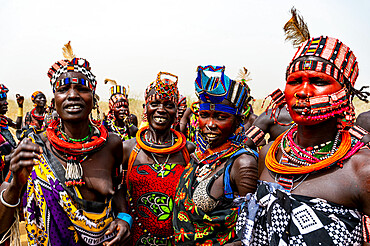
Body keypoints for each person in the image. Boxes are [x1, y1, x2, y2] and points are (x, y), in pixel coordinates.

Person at [236, 34, 370, 245]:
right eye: (294, 81)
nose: (303, 92)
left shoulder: (363, 169)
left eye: (319, 81)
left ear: (345, 93)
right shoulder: (269, 154)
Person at [4, 42, 131, 246]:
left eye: (82, 88)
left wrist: (125, 219)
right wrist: (16, 185)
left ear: (93, 99)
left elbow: (118, 190)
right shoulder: (33, 147)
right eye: (63, 89)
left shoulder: (112, 144)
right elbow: (2, 225)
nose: (73, 95)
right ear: (54, 101)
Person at [173, 65, 258, 245]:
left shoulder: (242, 163)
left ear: (238, 121)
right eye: (204, 115)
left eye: (220, 117)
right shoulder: (199, 156)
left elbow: (250, 233)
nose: (210, 124)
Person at [122, 71, 195, 245]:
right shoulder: (128, 149)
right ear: (146, 108)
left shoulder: (187, 150)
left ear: (177, 110)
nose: (161, 110)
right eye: (155, 103)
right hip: (135, 237)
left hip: (177, 238)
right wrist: (123, 217)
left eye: (169, 105)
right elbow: (117, 189)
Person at [0, 86, 24, 183]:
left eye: (5, 99)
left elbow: (17, 126)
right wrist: (8, 157)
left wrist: (20, 107)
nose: (6, 103)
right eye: (1, 100)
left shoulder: (4, 120)